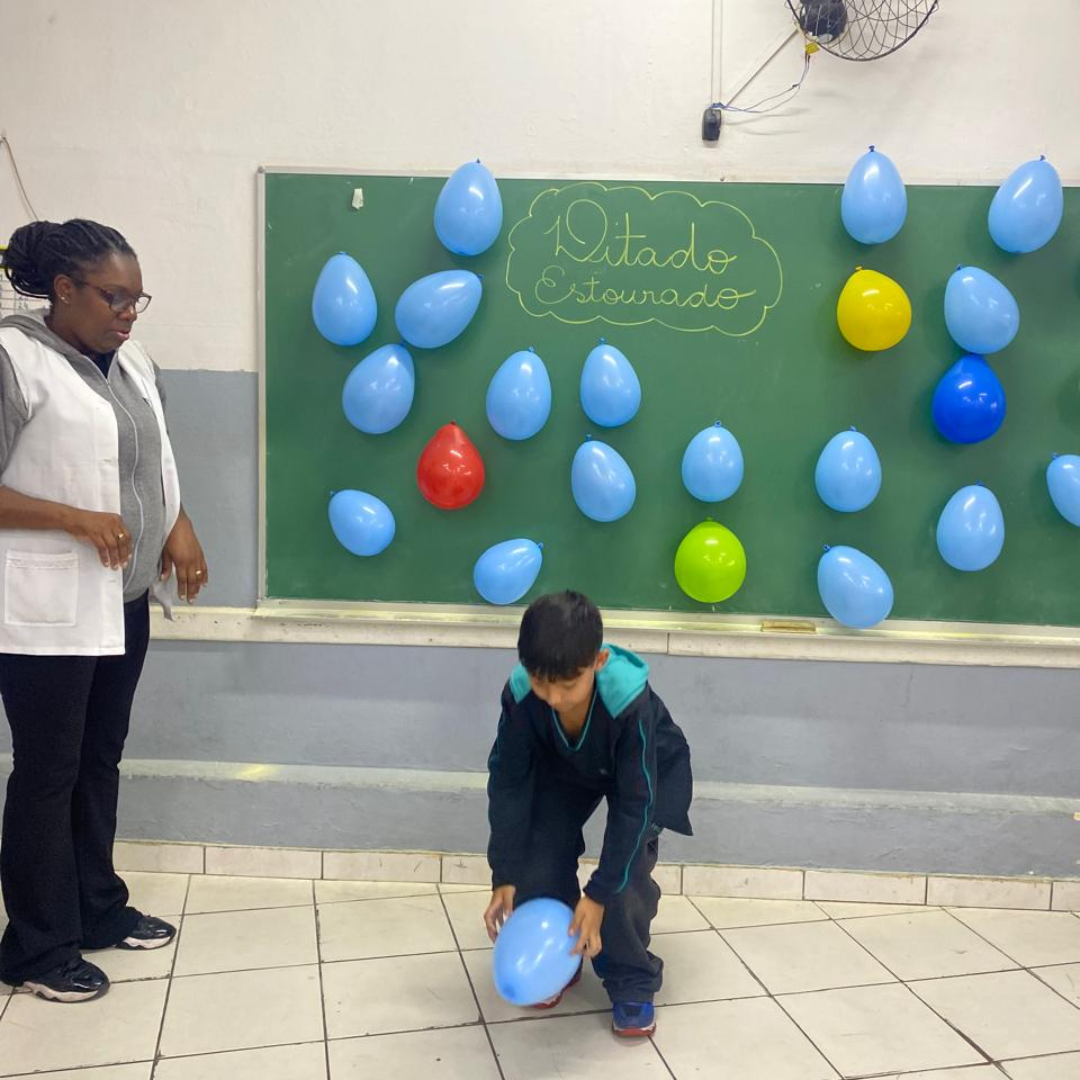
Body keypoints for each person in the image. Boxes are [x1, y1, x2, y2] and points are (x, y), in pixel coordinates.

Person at [0, 219, 208, 1002]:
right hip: (42, 613)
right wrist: (71, 517)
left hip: (121, 601)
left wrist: (179, 525)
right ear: (63, 290)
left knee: (98, 758)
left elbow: (152, 458)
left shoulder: (133, 358)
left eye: (136, 298)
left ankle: (95, 909)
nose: (129, 312)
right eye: (114, 297)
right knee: (47, 773)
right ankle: (34, 947)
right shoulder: (14, 361)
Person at [484, 591, 692, 1037]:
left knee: (624, 876)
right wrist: (504, 871)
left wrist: (596, 895)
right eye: (542, 683)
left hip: (644, 770)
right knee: (536, 854)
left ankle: (632, 979)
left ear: (597, 661)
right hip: (565, 765)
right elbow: (509, 782)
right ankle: (562, 956)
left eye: (568, 684)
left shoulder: (628, 702)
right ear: (525, 667)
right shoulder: (522, 696)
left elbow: (634, 805)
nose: (555, 698)